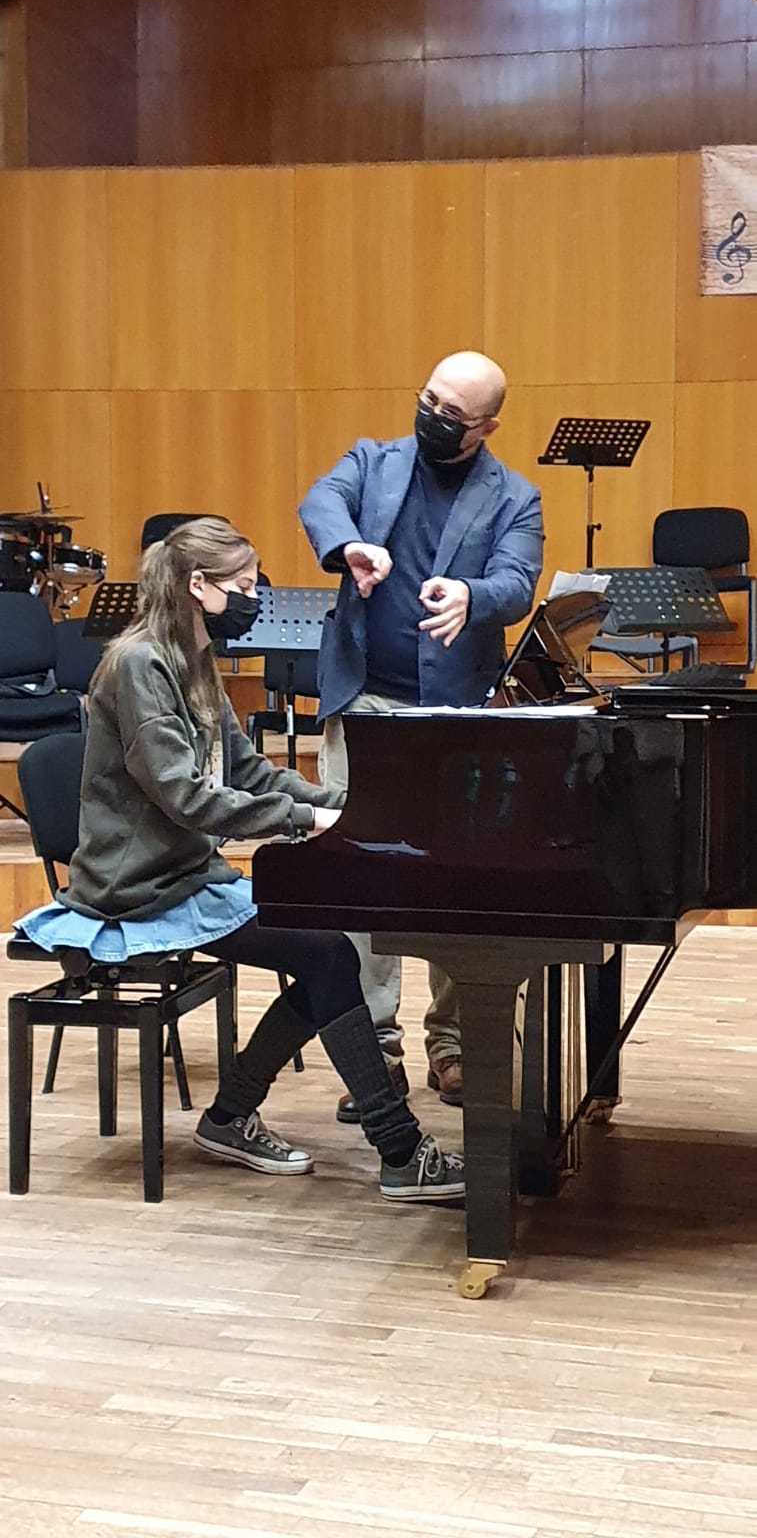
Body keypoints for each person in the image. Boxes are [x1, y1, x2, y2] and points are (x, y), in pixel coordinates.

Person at [15, 517, 464, 1205]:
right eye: (245, 587)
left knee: (326, 955)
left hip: (187, 875)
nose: (255, 599)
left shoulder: (193, 660)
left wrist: (351, 804)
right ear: (198, 585)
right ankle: (394, 1149)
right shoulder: (139, 664)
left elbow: (251, 772)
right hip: (136, 889)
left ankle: (235, 1118)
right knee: (326, 956)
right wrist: (305, 820)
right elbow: (185, 796)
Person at [299, 350, 544, 1120]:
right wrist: (348, 547)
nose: (433, 418)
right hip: (364, 703)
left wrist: (472, 594)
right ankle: (373, 1054)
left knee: (453, 879)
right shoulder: (371, 461)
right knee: (362, 878)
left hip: (454, 713)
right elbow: (320, 500)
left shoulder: (516, 496)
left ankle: (455, 1044)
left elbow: (517, 582)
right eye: (429, 401)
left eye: (453, 414)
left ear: (486, 427)